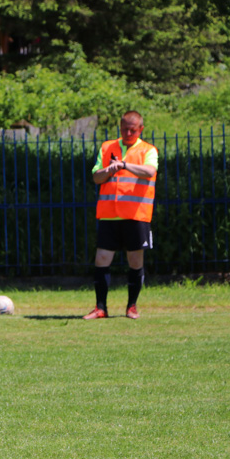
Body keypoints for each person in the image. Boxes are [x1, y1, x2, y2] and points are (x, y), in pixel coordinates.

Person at [83, 111, 159, 320]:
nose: (127, 133)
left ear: (140, 129)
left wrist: (124, 165)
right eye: (124, 128)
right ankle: (100, 308)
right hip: (109, 215)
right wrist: (109, 169)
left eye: (132, 130)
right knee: (102, 260)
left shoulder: (148, 150)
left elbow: (149, 171)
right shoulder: (107, 147)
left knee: (135, 262)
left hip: (136, 215)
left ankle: (131, 307)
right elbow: (96, 177)